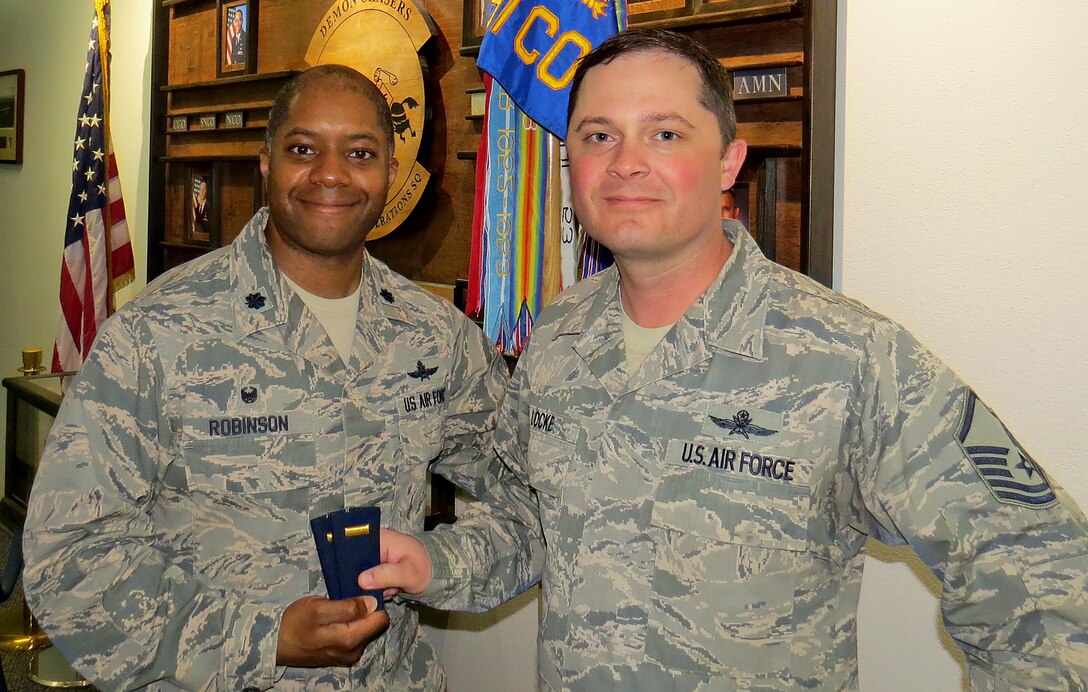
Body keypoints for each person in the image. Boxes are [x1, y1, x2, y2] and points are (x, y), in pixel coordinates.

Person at [365, 28, 1088, 690]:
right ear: (571, 163)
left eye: (666, 133)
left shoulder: (845, 355)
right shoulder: (560, 337)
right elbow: (531, 522)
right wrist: (438, 564)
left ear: (728, 162)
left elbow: (1046, 574)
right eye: (598, 135)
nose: (626, 164)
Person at [22, 64, 541, 691]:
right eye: (303, 149)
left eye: (359, 152)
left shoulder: (436, 338)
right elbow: (68, 558)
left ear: (388, 174)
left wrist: (440, 563)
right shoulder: (157, 335)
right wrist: (260, 639)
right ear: (266, 164)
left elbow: (534, 495)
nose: (331, 173)